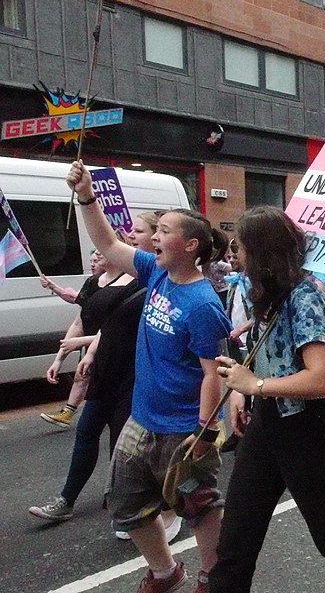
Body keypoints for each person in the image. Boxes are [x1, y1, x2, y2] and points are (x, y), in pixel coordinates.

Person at [67, 161, 232, 593]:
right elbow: (106, 240)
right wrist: (87, 195)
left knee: (197, 507)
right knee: (125, 506)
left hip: (184, 431)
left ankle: (212, 577)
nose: (154, 236)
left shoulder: (203, 304)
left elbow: (213, 373)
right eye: (154, 230)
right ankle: (165, 572)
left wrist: (204, 431)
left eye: (165, 231)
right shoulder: (156, 271)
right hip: (141, 421)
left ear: (191, 244)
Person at [209, 206, 325, 593]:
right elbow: (264, 353)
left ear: (264, 251)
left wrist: (254, 386)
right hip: (267, 427)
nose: (233, 255)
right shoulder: (268, 292)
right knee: (235, 543)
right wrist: (243, 392)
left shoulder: (305, 296)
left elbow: (322, 377)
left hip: (309, 432)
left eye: (241, 247)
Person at [29, 253, 137, 520]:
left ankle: (120, 501)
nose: (96, 256)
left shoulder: (140, 282)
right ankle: (66, 499)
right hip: (103, 370)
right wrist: (75, 355)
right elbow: (85, 322)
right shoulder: (94, 283)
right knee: (86, 432)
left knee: (120, 441)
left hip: (131, 372)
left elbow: (116, 327)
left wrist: (84, 346)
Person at [38, 250, 107, 427]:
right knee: (83, 374)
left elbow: (111, 329)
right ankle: (69, 413)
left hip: (110, 346)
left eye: (97, 259)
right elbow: (78, 322)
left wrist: (80, 342)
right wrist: (58, 360)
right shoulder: (92, 282)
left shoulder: (119, 287)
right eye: (91, 260)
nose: (93, 264)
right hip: (94, 344)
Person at [219, 238, 253, 454]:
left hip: (249, 340)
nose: (231, 260)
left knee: (248, 386)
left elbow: (261, 313)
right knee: (236, 385)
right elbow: (231, 308)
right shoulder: (234, 282)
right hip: (235, 339)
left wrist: (241, 329)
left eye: (235, 256)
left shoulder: (254, 283)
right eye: (229, 257)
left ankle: (247, 433)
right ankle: (238, 430)